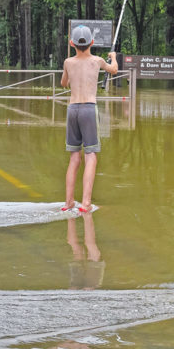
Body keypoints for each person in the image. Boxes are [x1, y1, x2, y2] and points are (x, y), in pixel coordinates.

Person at [61, 25, 117, 212]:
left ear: (72, 43)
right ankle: (85, 203)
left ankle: (68, 202)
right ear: (92, 42)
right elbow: (114, 70)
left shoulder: (68, 62)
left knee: (74, 158)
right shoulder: (98, 60)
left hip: (72, 109)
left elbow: (64, 83)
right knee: (91, 156)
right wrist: (114, 57)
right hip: (88, 109)